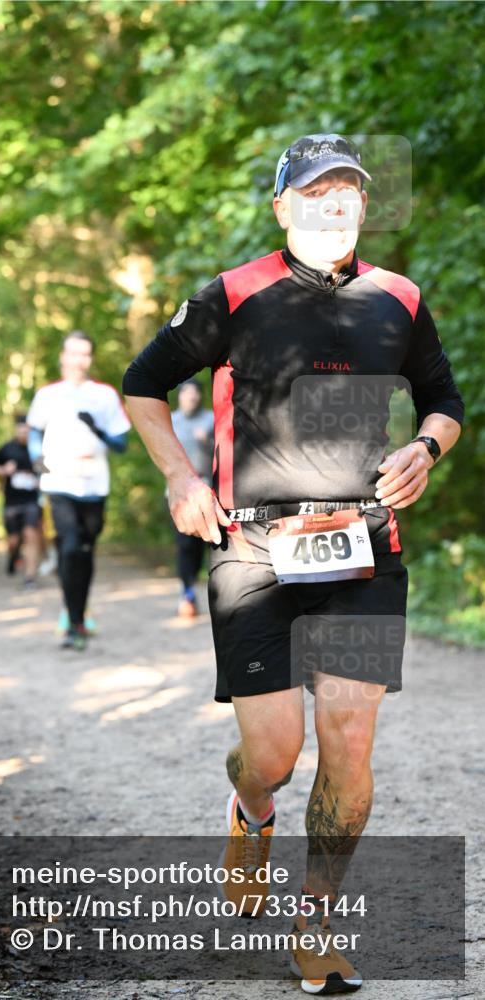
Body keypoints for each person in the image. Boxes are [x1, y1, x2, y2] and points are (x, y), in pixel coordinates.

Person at [123, 133, 464, 994]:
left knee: (347, 744)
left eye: (347, 189)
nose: (332, 203)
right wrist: (178, 479)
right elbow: (141, 383)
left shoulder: (398, 297)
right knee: (272, 753)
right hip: (254, 550)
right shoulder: (234, 293)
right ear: (282, 206)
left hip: (363, 549)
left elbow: (444, 399)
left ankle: (315, 922)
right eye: (314, 191)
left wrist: (426, 446)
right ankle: (251, 808)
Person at [27, 330, 131, 651]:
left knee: (84, 550)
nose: (78, 360)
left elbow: (121, 444)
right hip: (59, 482)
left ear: (91, 358)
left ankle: (78, 614)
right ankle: (73, 622)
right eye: (73, 353)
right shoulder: (48, 395)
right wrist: (36, 457)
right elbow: (33, 431)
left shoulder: (104, 395)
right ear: (62, 356)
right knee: (70, 547)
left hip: (94, 485)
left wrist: (95, 427)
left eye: (85, 354)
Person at [170, 379, 214, 617]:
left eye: (196, 394)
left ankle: (214, 592)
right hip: (178, 492)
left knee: (207, 544)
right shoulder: (170, 421)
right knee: (185, 544)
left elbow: (223, 453)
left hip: (208, 488)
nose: (192, 398)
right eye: (187, 393)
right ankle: (187, 592)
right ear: (180, 396)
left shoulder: (211, 420)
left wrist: (207, 442)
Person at [0, 416, 44, 588]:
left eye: (26, 431)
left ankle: (30, 577)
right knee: (13, 540)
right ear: (16, 431)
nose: (23, 434)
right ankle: (13, 556)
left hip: (32, 500)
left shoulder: (37, 449)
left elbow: (48, 468)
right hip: (12, 502)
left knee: (30, 534)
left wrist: (41, 476)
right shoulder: (7, 448)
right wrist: (4, 470)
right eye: (20, 431)